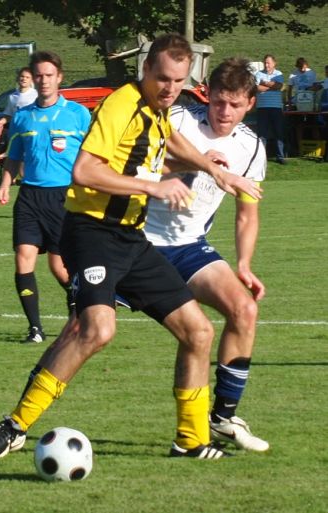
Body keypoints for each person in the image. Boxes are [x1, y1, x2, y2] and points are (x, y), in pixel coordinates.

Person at [0, 34, 262, 462]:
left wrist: (213, 170)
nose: (170, 88)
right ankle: (15, 426)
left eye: (179, 81)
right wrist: (154, 185)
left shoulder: (158, 109)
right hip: (91, 231)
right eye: (163, 78)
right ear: (145, 69)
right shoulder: (122, 103)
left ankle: (190, 439)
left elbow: (171, 142)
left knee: (199, 332)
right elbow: (84, 170)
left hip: (131, 237)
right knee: (96, 330)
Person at [144, 57, 269, 452]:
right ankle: (21, 418)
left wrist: (244, 264)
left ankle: (222, 417)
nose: (224, 112)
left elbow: (247, 213)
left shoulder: (251, 147)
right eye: (218, 102)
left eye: (234, 104)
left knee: (244, 309)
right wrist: (198, 165)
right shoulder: (179, 119)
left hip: (189, 246)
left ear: (250, 103)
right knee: (88, 330)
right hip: (136, 242)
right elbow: (140, 163)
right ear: (207, 96)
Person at [0, 50, 91, 344]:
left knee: (58, 266)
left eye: (49, 75)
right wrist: (5, 183)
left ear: (59, 78)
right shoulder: (22, 117)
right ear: (33, 78)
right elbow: (14, 155)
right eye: (39, 75)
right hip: (30, 196)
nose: (44, 80)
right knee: (23, 258)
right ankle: (35, 329)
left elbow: (94, 154)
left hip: (64, 196)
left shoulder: (78, 114)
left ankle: (81, 305)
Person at [255, 54, 286, 164]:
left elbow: (279, 86)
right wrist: (272, 86)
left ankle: (280, 156)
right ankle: (261, 157)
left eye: (268, 62)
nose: (266, 65)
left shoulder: (279, 74)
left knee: (279, 132)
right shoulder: (258, 74)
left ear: (274, 63)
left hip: (276, 107)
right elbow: (257, 88)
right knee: (262, 134)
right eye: (265, 62)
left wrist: (265, 84)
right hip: (262, 107)